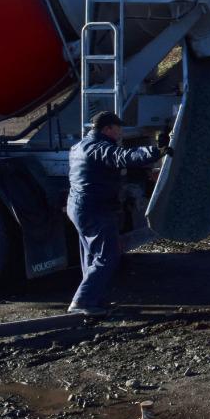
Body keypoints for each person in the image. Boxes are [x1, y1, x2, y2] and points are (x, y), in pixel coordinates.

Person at [66, 111, 170, 316]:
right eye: (117, 128)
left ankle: (93, 299)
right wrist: (156, 151)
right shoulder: (98, 147)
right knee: (108, 255)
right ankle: (82, 302)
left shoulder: (78, 146)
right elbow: (122, 156)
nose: (120, 132)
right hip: (95, 208)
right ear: (107, 129)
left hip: (80, 206)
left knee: (91, 255)